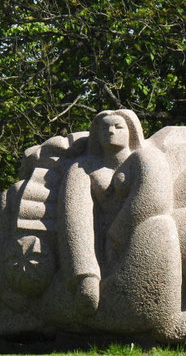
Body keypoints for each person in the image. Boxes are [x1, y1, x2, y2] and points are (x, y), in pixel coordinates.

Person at [57, 109, 144, 316]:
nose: (110, 131)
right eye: (104, 128)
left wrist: (118, 234)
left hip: (136, 237)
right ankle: (85, 280)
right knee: (74, 214)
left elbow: (153, 198)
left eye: (117, 127)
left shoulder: (144, 159)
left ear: (131, 132)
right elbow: (74, 214)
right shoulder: (83, 168)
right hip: (97, 242)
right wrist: (85, 273)